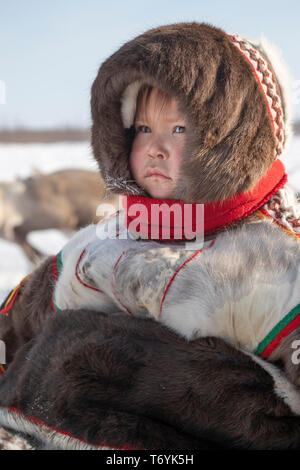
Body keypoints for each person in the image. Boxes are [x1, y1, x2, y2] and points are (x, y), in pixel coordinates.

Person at [1, 23, 299, 385]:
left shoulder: (275, 262)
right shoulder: (102, 243)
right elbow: (17, 326)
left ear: (233, 141)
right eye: (143, 129)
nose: (155, 148)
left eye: (178, 130)